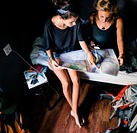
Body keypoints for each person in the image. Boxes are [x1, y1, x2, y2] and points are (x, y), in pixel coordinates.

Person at [42, 0, 96, 128]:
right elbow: (47, 46)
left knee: (76, 81)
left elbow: (81, 39)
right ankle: (75, 111)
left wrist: (88, 53)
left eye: (75, 21)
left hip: (71, 52)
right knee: (66, 83)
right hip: (56, 55)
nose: (74, 24)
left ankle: (74, 111)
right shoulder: (49, 26)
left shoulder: (75, 23)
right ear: (61, 17)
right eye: (71, 22)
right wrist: (52, 58)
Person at [88, 0, 124, 65]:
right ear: (97, 12)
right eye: (101, 16)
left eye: (108, 17)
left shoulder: (118, 20)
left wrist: (121, 54)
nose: (104, 20)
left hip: (112, 51)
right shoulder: (92, 18)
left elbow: (120, 40)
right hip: (96, 50)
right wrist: (90, 42)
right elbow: (88, 35)